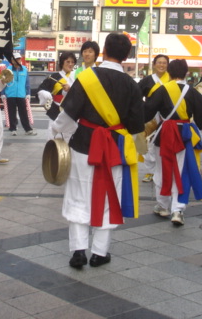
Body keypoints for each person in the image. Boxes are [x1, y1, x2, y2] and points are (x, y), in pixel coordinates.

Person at [50, 33, 144, 269]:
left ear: (103, 51)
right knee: (109, 198)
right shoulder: (132, 85)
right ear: (127, 56)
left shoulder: (88, 77)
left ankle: (78, 251)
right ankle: (100, 253)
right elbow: (135, 125)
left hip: (83, 145)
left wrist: (57, 132)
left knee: (79, 194)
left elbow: (68, 115)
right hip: (114, 148)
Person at [144, 59, 202, 225]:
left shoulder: (162, 89)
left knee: (162, 170)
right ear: (186, 73)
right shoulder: (192, 91)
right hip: (184, 134)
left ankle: (163, 206)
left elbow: (147, 112)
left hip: (165, 134)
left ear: (170, 71)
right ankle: (178, 210)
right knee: (181, 172)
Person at [137, 54, 170, 183]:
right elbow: (136, 94)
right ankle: (151, 171)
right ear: (154, 64)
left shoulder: (171, 79)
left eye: (164, 63)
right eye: (159, 62)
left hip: (167, 116)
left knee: (165, 145)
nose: (161, 65)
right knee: (149, 145)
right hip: (150, 117)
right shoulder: (147, 80)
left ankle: (163, 171)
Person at [37, 52, 77, 137]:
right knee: (53, 138)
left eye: (72, 62)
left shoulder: (76, 76)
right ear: (62, 62)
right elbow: (40, 89)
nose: (70, 64)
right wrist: (45, 93)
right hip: (56, 110)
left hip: (71, 111)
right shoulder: (53, 77)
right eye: (67, 62)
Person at [3, 52, 36, 136]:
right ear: (12, 61)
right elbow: (3, 82)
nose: (18, 60)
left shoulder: (24, 69)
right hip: (10, 94)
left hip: (21, 94)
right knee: (12, 113)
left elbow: (27, 83)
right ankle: (13, 129)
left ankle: (27, 129)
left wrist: (28, 93)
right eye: (16, 59)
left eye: (19, 59)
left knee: (23, 112)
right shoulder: (8, 70)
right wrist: (3, 93)